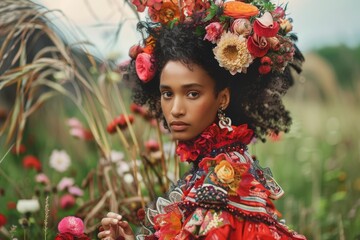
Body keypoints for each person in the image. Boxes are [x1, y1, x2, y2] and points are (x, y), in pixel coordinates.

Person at [98, 0, 306, 239]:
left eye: (192, 93)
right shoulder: (212, 162)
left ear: (223, 98)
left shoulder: (226, 173)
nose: (176, 109)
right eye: (167, 93)